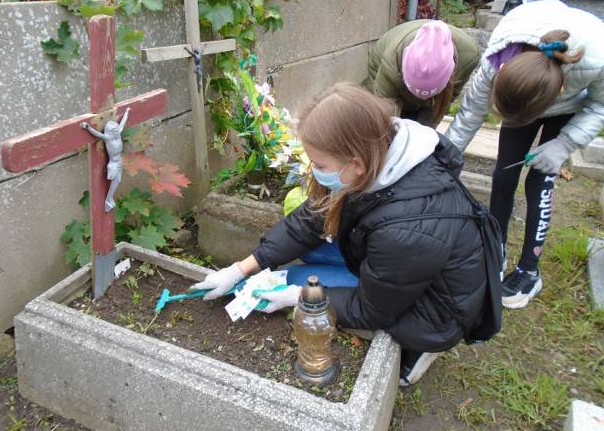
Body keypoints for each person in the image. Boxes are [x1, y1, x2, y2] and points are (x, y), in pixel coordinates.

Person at [189, 82, 491, 386]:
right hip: (402, 269)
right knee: (305, 251)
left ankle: (416, 353)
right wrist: (240, 269)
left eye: (320, 164)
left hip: (434, 311)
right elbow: (309, 221)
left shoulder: (406, 228)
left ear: (356, 163)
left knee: (295, 282)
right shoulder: (382, 156)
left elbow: (370, 311)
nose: (316, 171)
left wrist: (296, 298)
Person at [445, 0, 604, 309]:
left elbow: (600, 105)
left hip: (569, 107)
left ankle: (529, 272)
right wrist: (444, 160)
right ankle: (496, 250)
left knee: (539, 181)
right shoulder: (496, 61)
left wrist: (565, 144)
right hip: (527, 86)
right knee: (504, 175)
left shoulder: (597, 56)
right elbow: (468, 118)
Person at [366, 19, 480, 129]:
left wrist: (423, 134)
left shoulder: (468, 57)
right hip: (383, 58)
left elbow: (439, 106)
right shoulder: (391, 62)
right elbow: (386, 112)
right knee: (384, 121)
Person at [81, 107, 130, 212]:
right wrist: (88, 127)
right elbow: (97, 134)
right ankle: (108, 199)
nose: (117, 132)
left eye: (117, 130)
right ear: (111, 132)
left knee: (118, 181)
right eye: (115, 131)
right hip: (113, 165)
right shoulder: (108, 138)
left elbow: (123, 123)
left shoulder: (118, 135)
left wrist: (126, 112)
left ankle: (109, 199)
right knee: (115, 181)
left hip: (119, 162)